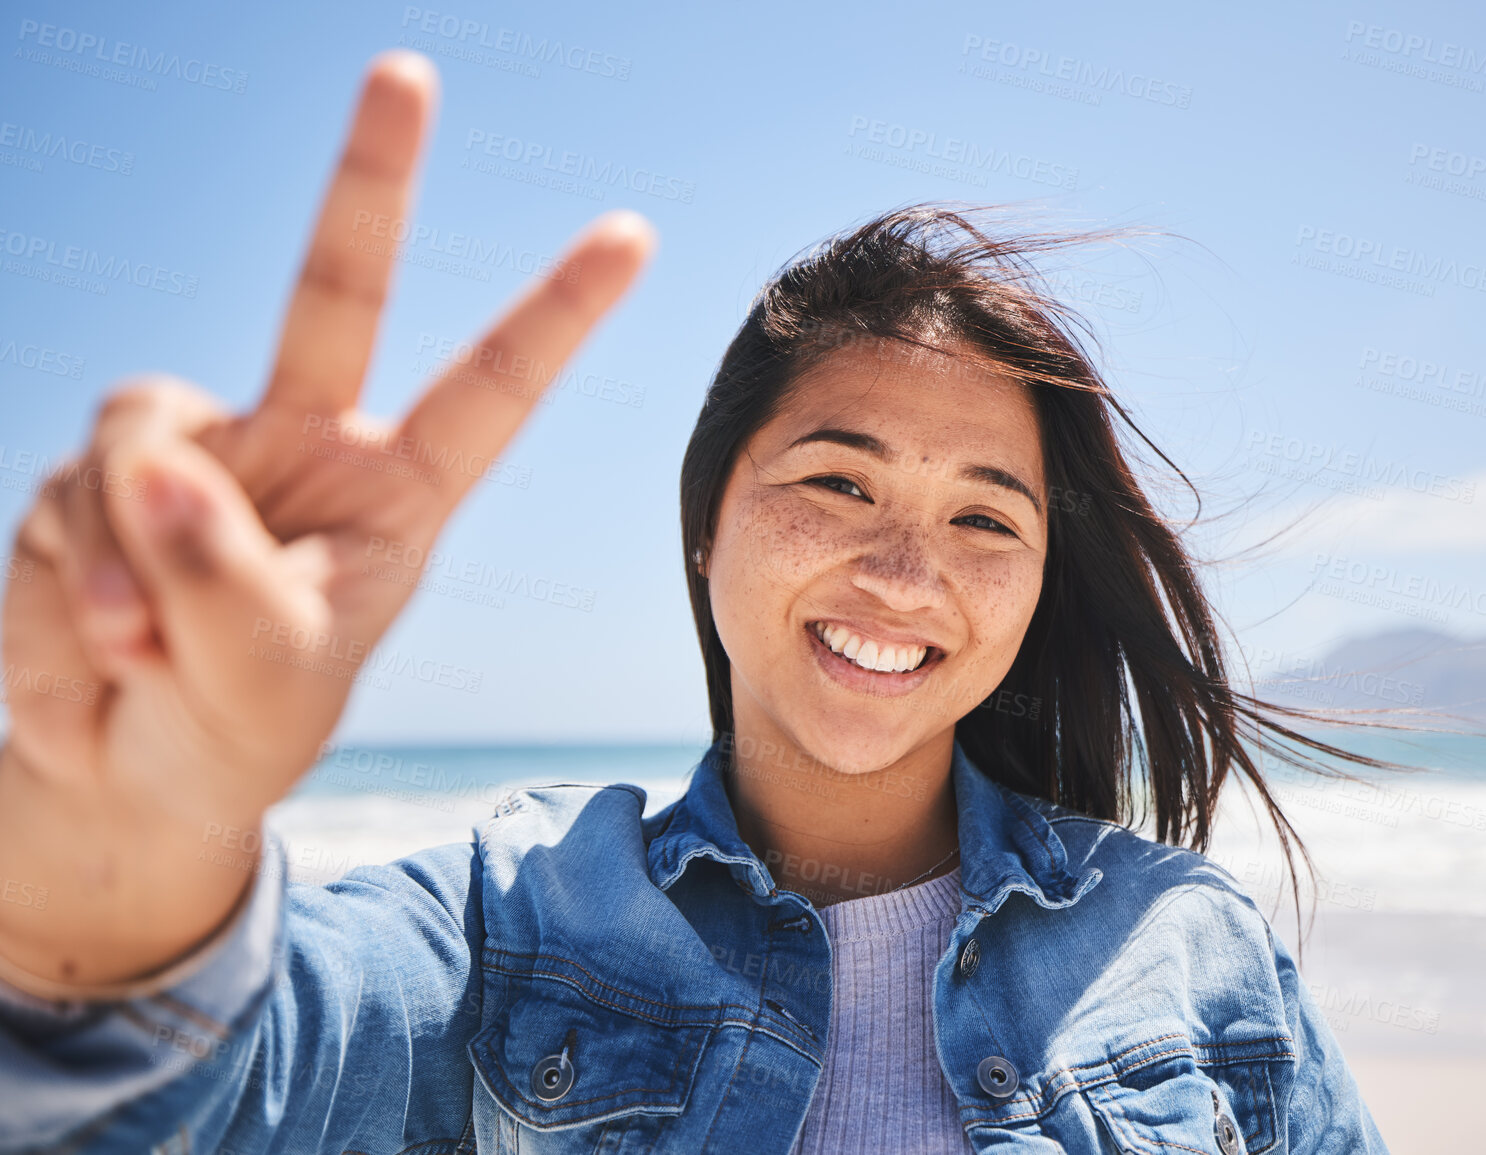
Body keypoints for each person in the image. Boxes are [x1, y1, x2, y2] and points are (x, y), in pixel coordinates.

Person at [0, 50, 1387, 1154]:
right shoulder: (518, 921)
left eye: (982, 517)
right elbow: (184, 1100)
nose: (905, 576)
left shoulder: (1189, 949)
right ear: (705, 531)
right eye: (838, 486)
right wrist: (122, 847)